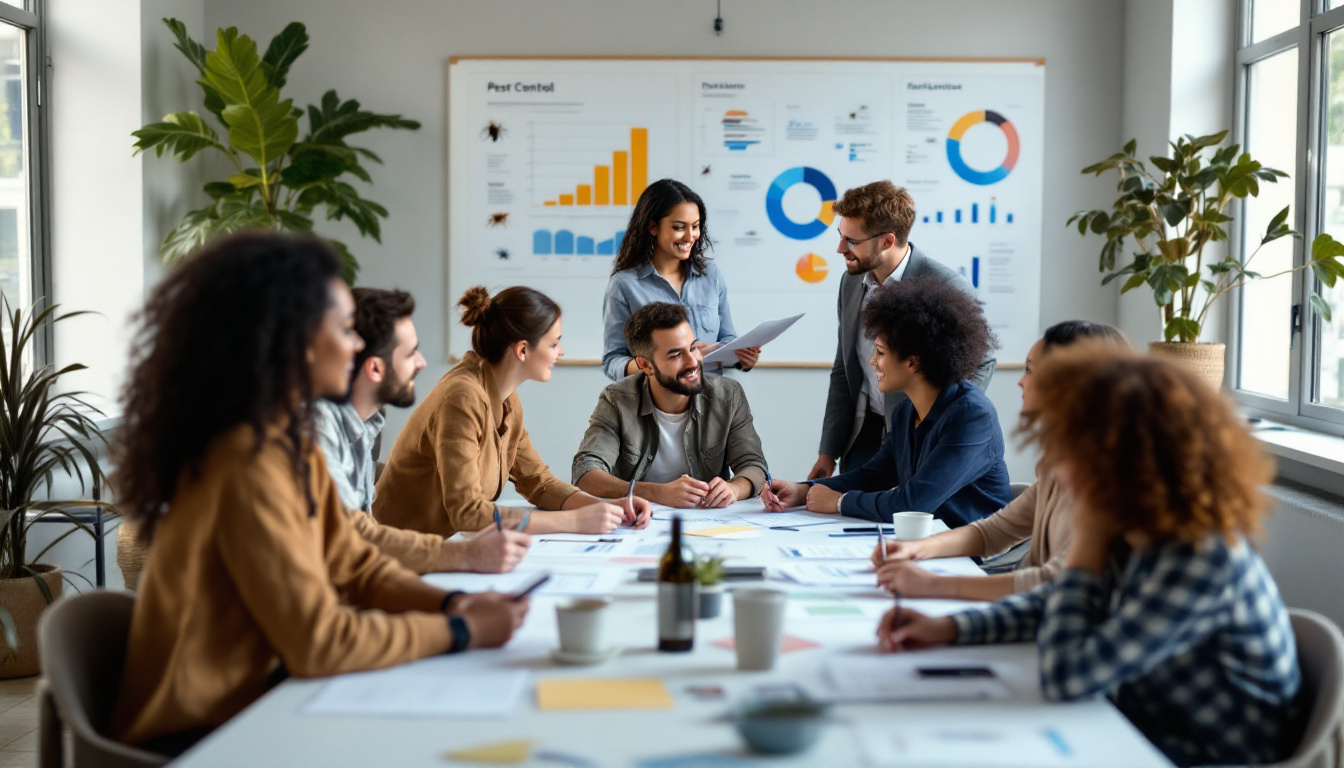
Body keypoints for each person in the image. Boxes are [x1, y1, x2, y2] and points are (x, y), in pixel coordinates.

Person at [109, 233, 527, 754]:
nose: (356, 347)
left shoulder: (284, 440)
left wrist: (452, 600)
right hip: (202, 738)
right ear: (297, 342)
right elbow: (319, 642)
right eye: (345, 330)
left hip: (260, 699)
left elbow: (356, 562)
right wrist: (462, 630)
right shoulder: (247, 460)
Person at [877, 347, 1302, 767]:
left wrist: (1087, 544)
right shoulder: (1139, 529)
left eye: (1076, 453)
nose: (1061, 468)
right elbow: (1049, 605)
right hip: (1142, 728)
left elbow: (1067, 677)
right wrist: (946, 629)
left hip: (1202, 753)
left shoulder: (1198, 557)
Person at [873, 321, 1130, 601]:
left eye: (1030, 370)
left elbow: (1056, 582)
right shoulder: (1059, 467)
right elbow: (994, 531)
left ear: (1073, 384)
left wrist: (933, 584)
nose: (1020, 381)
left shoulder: (1110, 484)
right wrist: (918, 548)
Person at [374, 286, 652, 537]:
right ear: (522, 350)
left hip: (448, 546)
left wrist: (610, 507)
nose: (561, 352)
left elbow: (537, 481)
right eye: (554, 344)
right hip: (404, 555)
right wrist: (575, 521)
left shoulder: (504, 397)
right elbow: (468, 512)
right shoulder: (462, 397)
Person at [765, 275, 1009, 527]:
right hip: (928, 544)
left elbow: (912, 504)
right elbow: (873, 475)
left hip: (975, 554)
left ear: (913, 362)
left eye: (880, 353)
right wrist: (802, 491)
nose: (873, 361)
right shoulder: (906, 411)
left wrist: (839, 502)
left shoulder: (972, 416)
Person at [314, 287, 529, 574]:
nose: (422, 362)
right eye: (411, 353)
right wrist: (464, 556)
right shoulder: (317, 433)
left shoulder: (366, 427)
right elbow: (353, 543)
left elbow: (364, 535)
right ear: (376, 369)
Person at [810, 180, 996, 479]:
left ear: (887, 241)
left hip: (919, 436)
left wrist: (936, 420)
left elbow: (982, 364)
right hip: (864, 435)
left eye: (852, 241)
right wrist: (828, 452)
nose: (840, 248)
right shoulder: (851, 282)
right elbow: (844, 369)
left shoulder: (945, 287)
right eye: (840, 236)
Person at [573, 302, 767, 508]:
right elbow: (585, 473)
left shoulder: (728, 395)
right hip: (637, 524)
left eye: (693, 348)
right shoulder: (617, 400)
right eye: (676, 355)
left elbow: (754, 465)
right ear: (645, 365)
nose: (693, 362)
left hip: (708, 524)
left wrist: (735, 488)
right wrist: (655, 492)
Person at [601, 178, 759, 381]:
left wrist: (742, 358)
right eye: (679, 227)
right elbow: (612, 361)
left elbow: (727, 339)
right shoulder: (624, 285)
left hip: (710, 401)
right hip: (656, 403)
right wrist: (659, 365)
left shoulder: (711, 275)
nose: (690, 236)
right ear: (653, 227)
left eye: (695, 226)